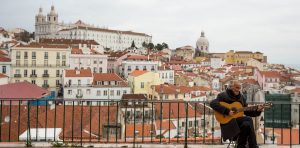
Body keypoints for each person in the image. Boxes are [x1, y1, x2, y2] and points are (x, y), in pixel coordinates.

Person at [210, 80, 263, 148]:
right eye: (237, 87)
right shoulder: (223, 95)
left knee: (246, 125)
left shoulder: (241, 97)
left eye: (239, 88)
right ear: (231, 87)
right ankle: (253, 146)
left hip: (238, 123)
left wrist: (257, 110)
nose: (238, 90)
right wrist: (227, 111)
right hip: (228, 124)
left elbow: (246, 111)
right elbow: (212, 103)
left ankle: (241, 145)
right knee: (248, 119)